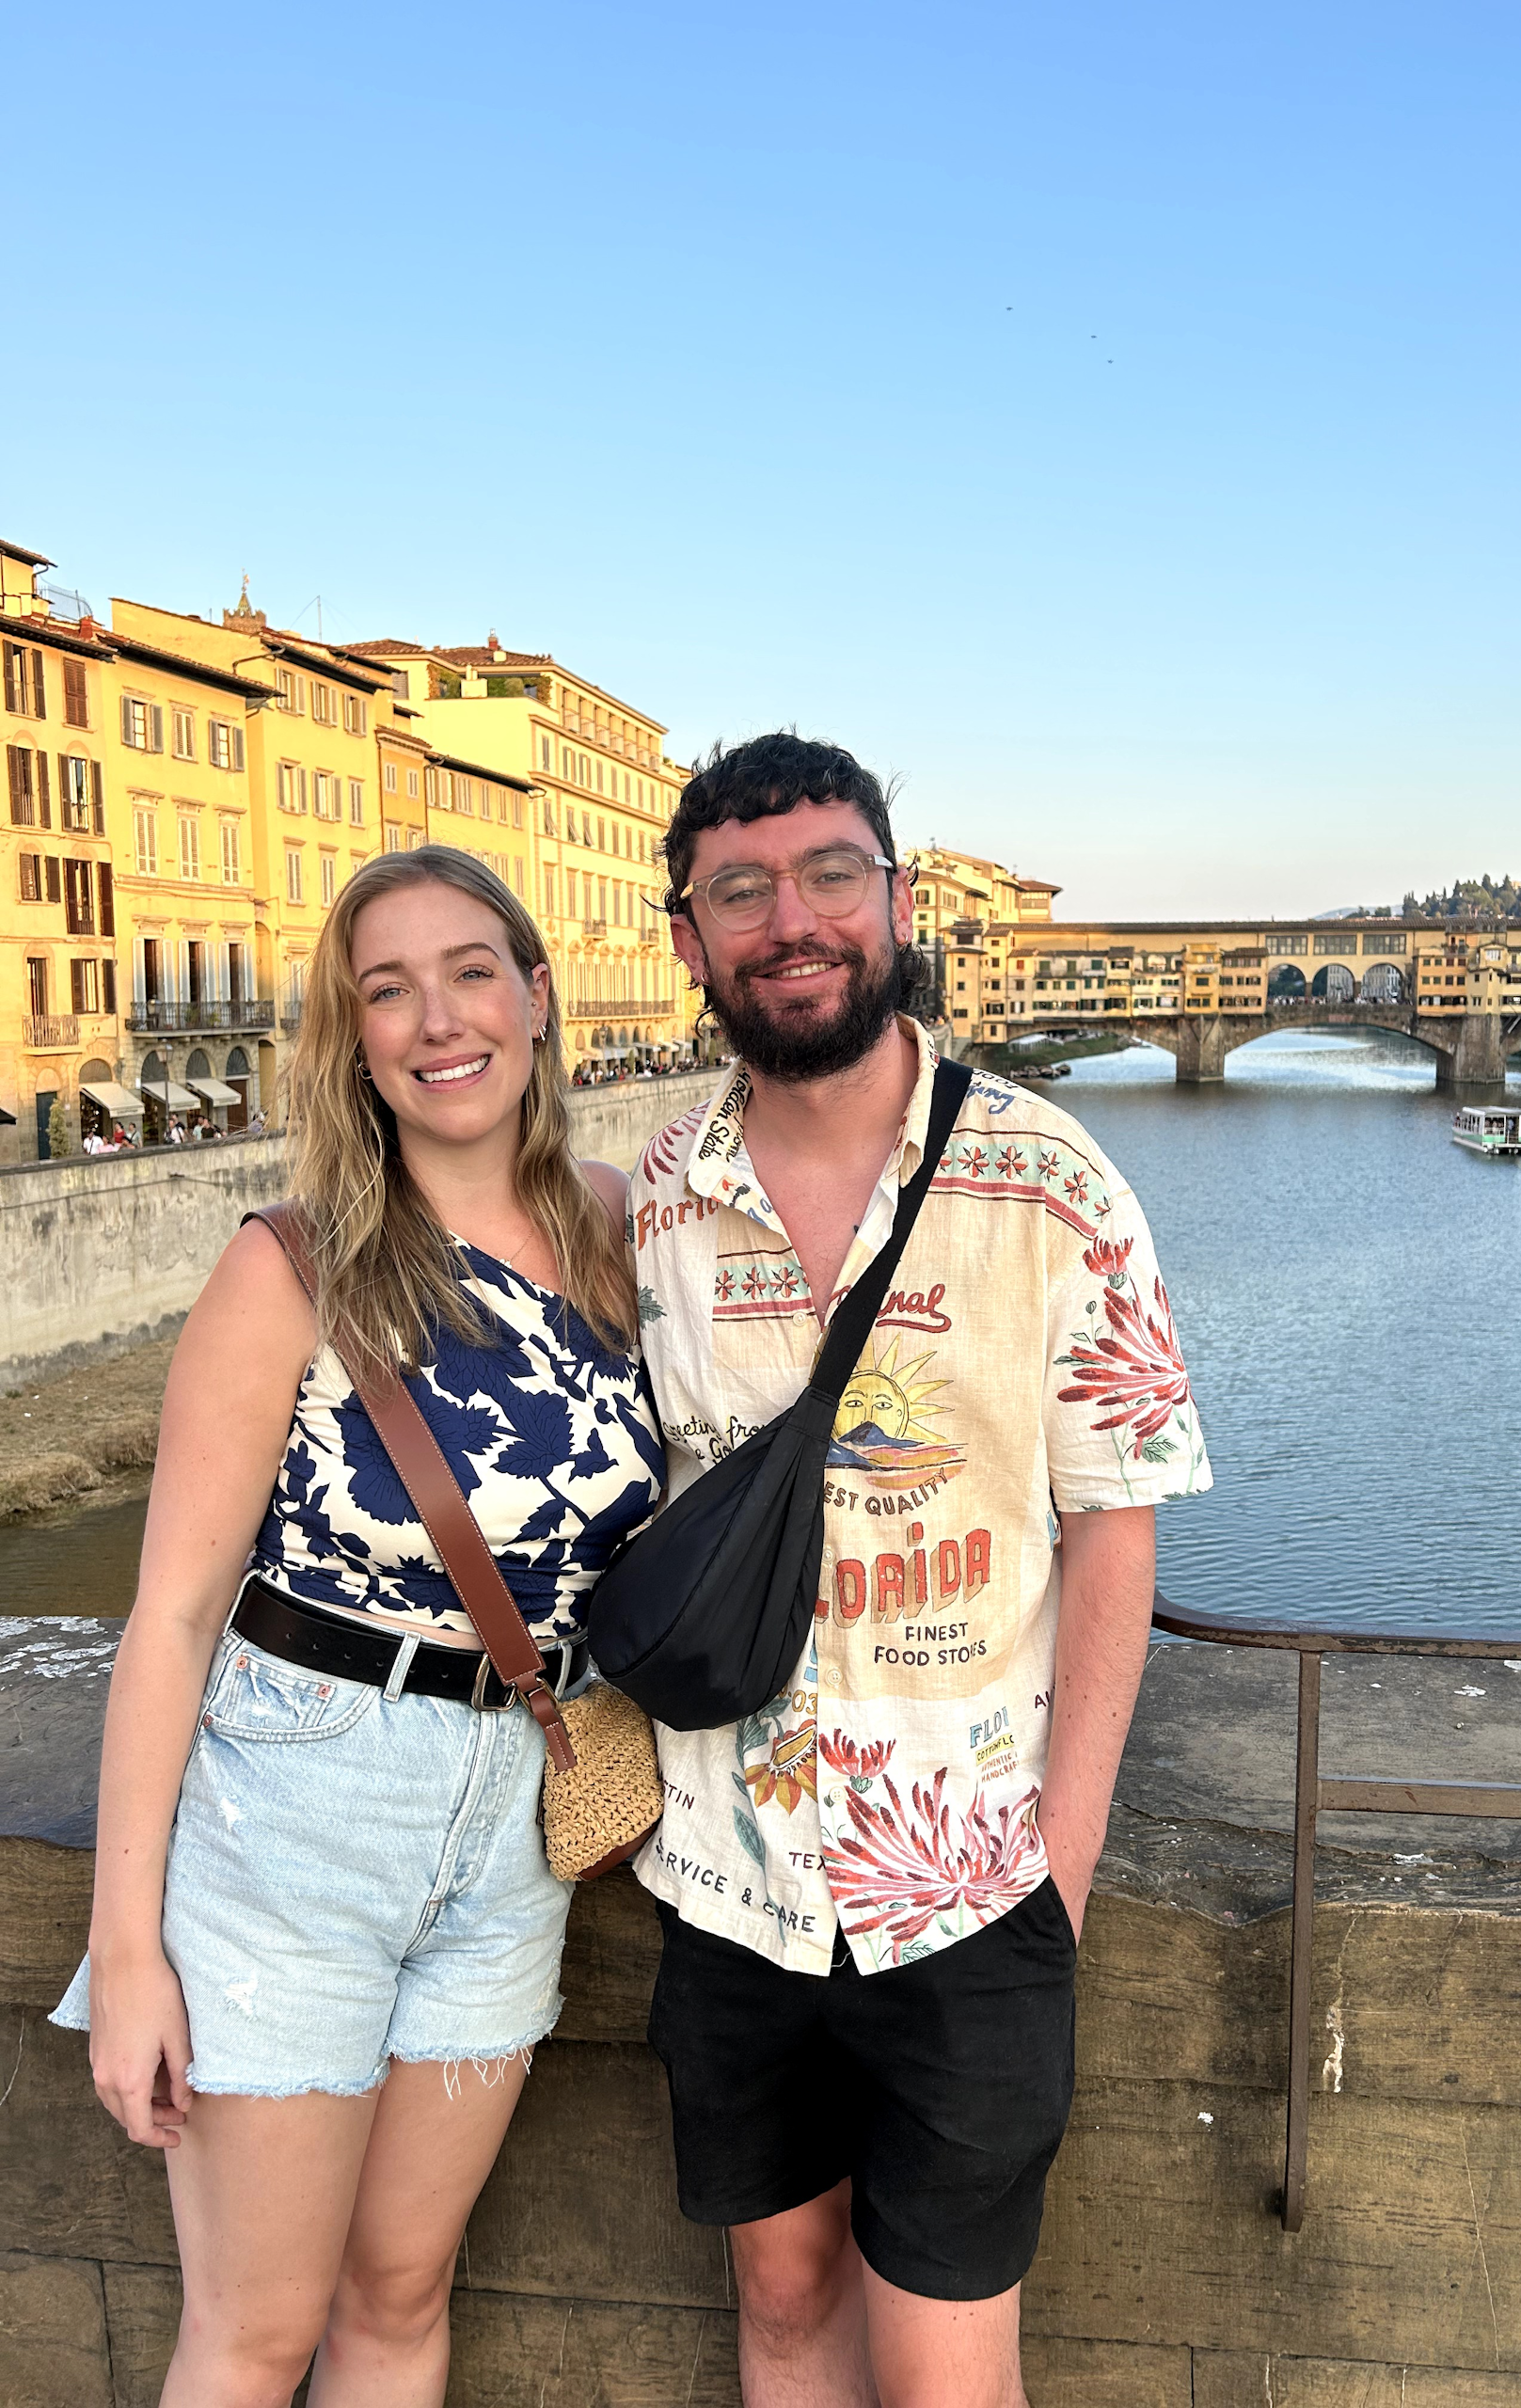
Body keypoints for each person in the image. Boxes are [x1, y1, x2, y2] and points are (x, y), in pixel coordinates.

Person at [631, 734, 1210, 2408]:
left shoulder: (1053, 1178)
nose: (788, 918)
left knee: (954, 2370)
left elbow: (1117, 1522)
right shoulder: (660, 1194)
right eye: (740, 889)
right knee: (784, 2302)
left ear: (894, 901)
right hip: (722, 1878)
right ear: (692, 937)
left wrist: (1063, 1866)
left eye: (828, 874)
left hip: (967, 1891)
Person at [53, 846, 663, 2407]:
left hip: (523, 1820)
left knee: (399, 2297)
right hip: (295, 1807)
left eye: (470, 971)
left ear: (537, 996)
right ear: (353, 1039)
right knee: (253, 2336)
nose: (435, 1018)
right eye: (385, 990)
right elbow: (173, 1614)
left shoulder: (614, 1228)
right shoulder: (290, 1268)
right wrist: (127, 1953)